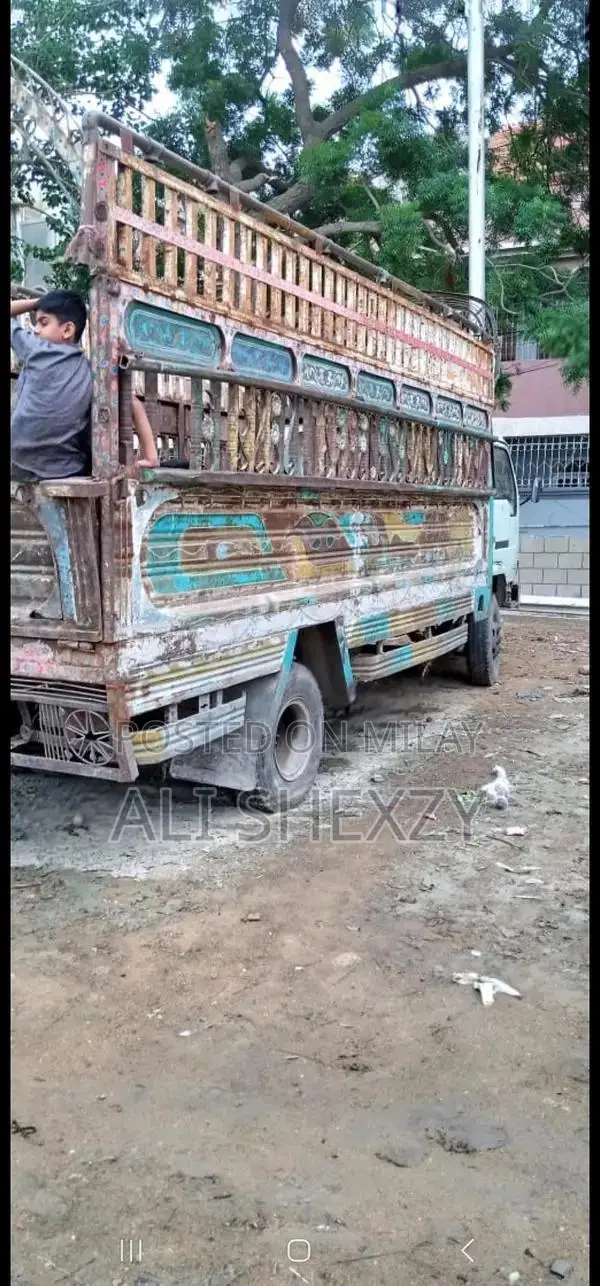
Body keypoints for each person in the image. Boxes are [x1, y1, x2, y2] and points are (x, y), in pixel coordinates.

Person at [11, 289, 158, 480]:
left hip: (18, 463)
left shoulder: (37, 349)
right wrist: (152, 456)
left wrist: (37, 302)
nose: (35, 329)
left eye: (43, 322)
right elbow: (135, 404)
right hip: (65, 470)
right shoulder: (93, 373)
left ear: (67, 330)